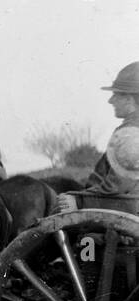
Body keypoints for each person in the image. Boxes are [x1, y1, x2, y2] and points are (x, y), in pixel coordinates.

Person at [58, 62, 139, 212]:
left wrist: (79, 202)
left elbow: (118, 186)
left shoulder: (131, 134)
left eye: (116, 94)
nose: (111, 100)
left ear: (129, 99)